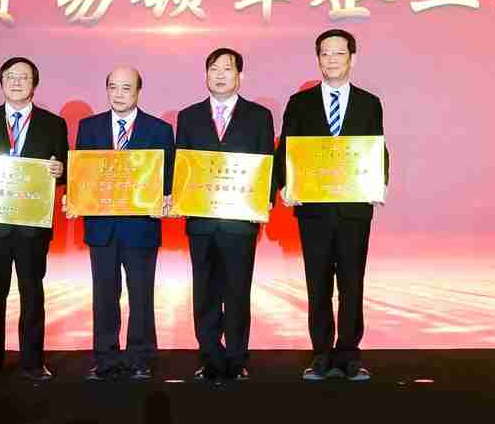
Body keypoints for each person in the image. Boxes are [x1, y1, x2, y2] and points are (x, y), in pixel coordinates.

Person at [276, 28, 389, 381]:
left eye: (339, 53)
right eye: (325, 53)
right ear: (318, 59)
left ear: (353, 58)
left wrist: (379, 183)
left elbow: (377, 148)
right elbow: (286, 149)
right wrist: (284, 185)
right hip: (314, 211)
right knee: (318, 285)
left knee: (353, 284)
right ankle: (322, 354)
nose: (332, 60)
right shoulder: (300, 103)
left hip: (354, 209)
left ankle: (350, 354)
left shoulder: (370, 103)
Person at [0, 57, 68, 382]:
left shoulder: (53, 123)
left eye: (24, 77)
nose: (17, 82)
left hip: (32, 227)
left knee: (32, 295)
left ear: (35, 84)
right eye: (10, 76)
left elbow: (64, 171)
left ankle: (33, 363)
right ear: (1, 82)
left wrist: (60, 170)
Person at [66, 67, 175, 381]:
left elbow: (168, 176)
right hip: (101, 228)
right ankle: (105, 359)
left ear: (138, 91)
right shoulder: (89, 127)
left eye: (126, 88)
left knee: (141, 296)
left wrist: (166, 199)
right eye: (113, 87)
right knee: (103, 297)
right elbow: (82, 175)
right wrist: (75, 197)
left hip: (142, 227)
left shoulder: (159, 129)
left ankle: (141, 358)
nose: (119, 94)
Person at [173, 47, 275, 383]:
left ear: (240, 76)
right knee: (204, 292)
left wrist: (265, 198)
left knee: (237, 292)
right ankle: (210, 358)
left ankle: (236, 358)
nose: (219, 75)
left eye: (227, 69)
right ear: (206, 74)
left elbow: (267, 162)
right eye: (213, 69)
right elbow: (182, 166)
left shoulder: (259, 116)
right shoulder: (188, 117)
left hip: (239, 222)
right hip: (201, 222)